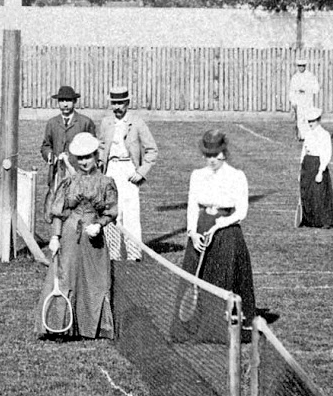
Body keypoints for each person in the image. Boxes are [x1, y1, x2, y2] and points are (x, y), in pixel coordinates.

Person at [173, 130, 257, 344]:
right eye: (208, 155)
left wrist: (220, 224)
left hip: (227, 232)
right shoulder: (197, 175)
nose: (211, 160)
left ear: (224, 153)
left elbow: (241, 211)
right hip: (201, 228)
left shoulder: (237, 176)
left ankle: (220, 330)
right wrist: (192, 233)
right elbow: (192, 205)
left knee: (222, 279)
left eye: (215, 154)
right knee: (195, 277)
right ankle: (193, 328)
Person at [40, 132, 118, 340]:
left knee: (95, 279)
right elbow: (59, 211)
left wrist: (100, 225)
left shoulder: (106, 182)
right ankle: (63, 326)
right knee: (67, 276)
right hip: (70, 234)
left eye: (88, 157)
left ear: (95, 156)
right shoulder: (69, 182)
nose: (84, 162)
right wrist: (55, 237)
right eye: (80, 158)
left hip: (93, 237)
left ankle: (92, 327)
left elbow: (110, 211)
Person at [97, 86, 158, 261]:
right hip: (111, 171)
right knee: (111, 212)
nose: (117, 107)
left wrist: (141, 172)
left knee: (130, 215)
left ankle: (133, 255)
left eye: (121, 103)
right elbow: (102, 147)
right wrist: (101, 165)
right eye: (114, 103)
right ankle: (113, 255)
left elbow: (152, 150)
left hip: (129, 171)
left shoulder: (137, 122)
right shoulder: (106, 122)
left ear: (127, 103)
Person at [39, 85, 96, 205]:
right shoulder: (52, 123)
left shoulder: (85, 122)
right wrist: (51, 156)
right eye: (62, 100)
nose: (65, 104)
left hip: (79, 172)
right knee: (57, 207)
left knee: (79, 206)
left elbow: (93, 148)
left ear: (74, 101)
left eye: (68, 100)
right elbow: (46, 145)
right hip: (58, 172)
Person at [297, 105, 333, 228]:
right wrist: (300, 169)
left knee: (318, 193)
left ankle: (323, 220)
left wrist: (321, 171)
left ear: (318, 120)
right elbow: (304, 151)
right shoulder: (308, 134)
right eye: (309, 121)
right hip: (307, 164)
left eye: (313, 121)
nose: (310, 124)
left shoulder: (324, 135)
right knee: (307, 192)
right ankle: (309, 219)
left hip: (317, 164)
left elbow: (326, 153)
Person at [287, 60, 320, 140]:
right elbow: (292, 90)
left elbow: (316, 88)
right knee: (300, 118)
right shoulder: (295, 77)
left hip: (307, 99)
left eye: (302, 66)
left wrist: (307, 89)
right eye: (299, 66)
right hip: (299, 100)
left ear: (305, 66)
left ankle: (308, 135)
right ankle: (302, 135)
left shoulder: (310, 76)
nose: (301, 68)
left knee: (308, 117)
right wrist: (293, 101)